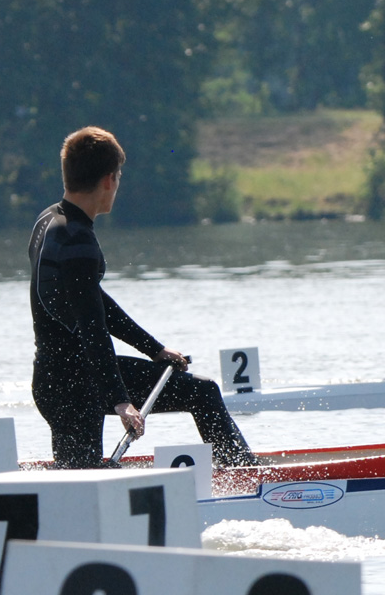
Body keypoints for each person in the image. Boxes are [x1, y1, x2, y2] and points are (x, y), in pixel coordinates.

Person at [30, 126, 256, 469]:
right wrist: (120, 400)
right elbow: (93, 328)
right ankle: (247, 478)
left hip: (51, 380)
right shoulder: (78, 241)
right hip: (79, 384)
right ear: (109, 180)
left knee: (76, 483)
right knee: (203, 392)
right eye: (118, 177)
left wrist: (154, 349)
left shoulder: (47, 220)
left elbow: (94, 302)